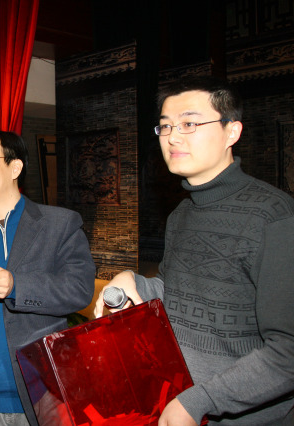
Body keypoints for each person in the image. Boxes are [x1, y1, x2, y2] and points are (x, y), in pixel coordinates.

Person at [93, 76, 294, 425]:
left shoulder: (273, 216)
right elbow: (176, 293)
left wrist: (200, 401)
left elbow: (288, 351)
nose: (172, 137)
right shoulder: (182, 214)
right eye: (165, 126)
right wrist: (132, 281)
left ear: (232, 132)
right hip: (176, 401)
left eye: (189, 124)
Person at [0, 129, 96, 426]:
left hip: (44, 390)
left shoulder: (59, 224)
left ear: (15, 167)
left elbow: (79, 289)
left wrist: (16, 286)